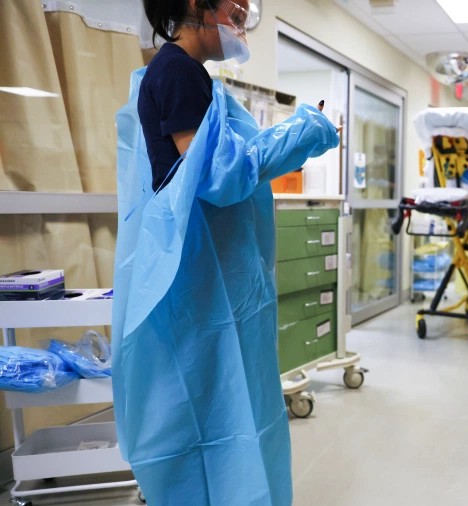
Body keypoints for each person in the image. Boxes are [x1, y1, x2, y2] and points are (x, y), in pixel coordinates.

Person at [112, 1, 340, 504]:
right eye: (236, 9)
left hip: (213, 272)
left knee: (231, 406)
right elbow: (220, 174)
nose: (243, 20)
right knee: (208, 416)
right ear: (196, 5)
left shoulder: (188, 74)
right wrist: (304, 132)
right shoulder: (176, 72)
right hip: (199, 277)